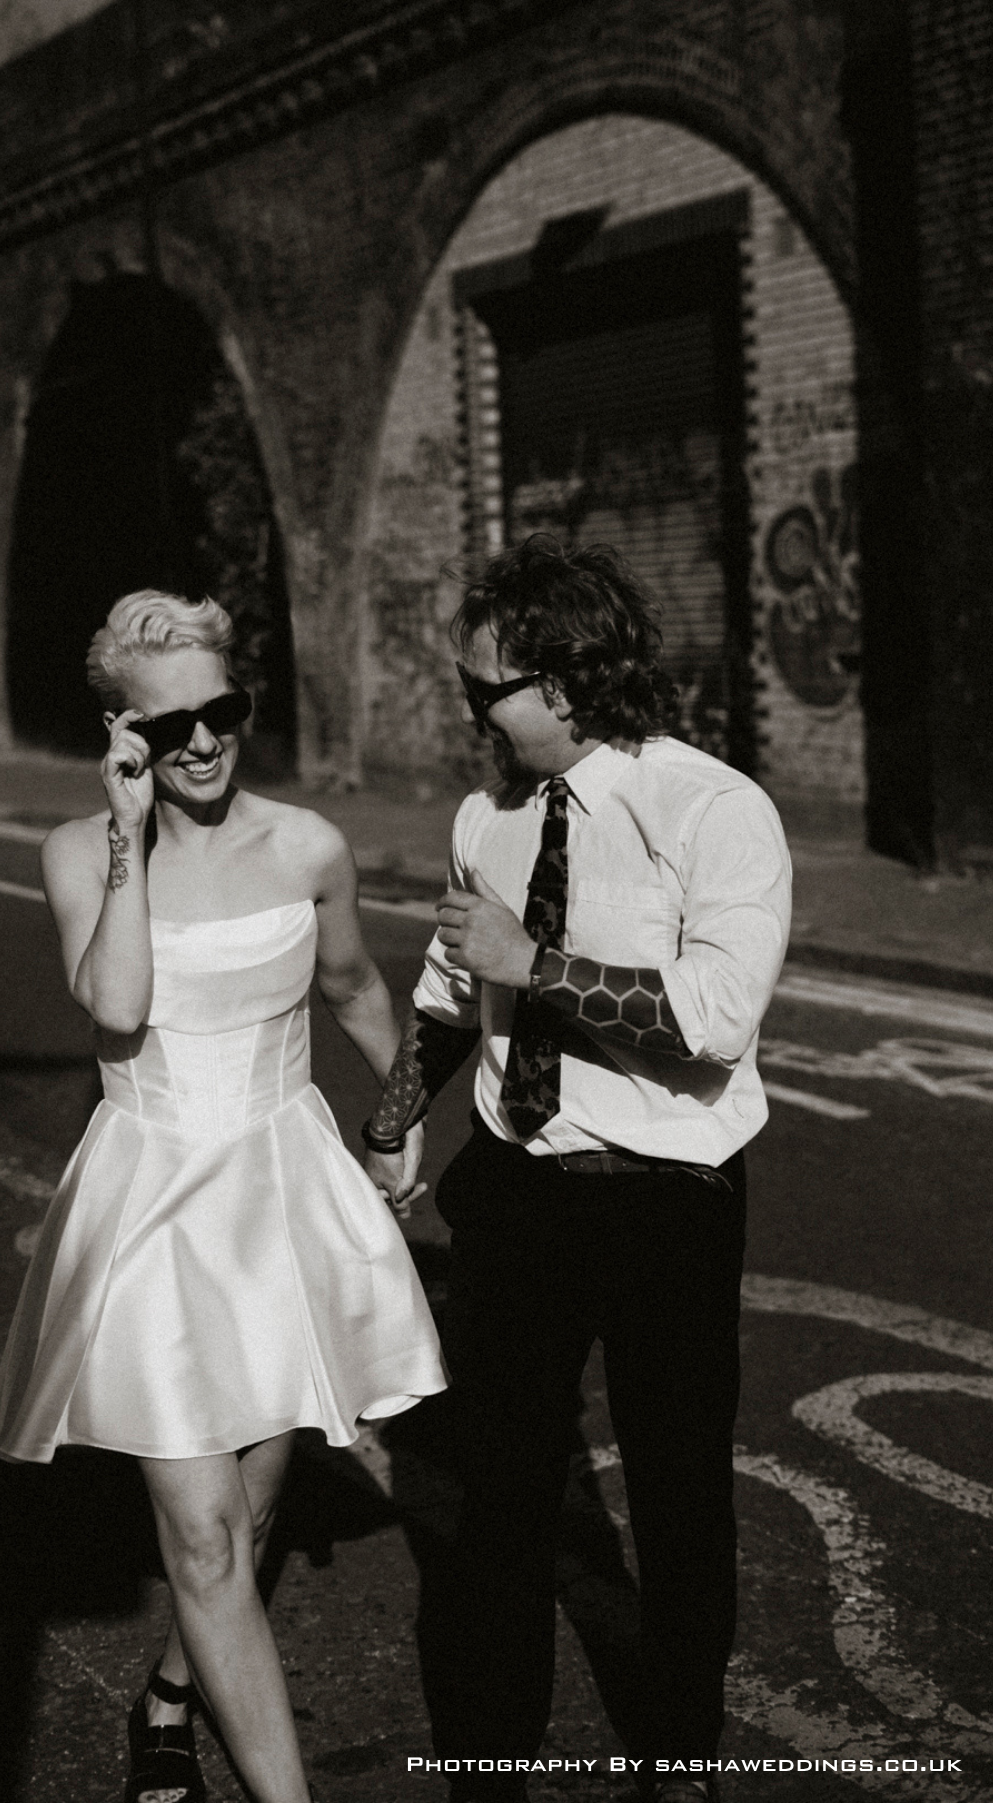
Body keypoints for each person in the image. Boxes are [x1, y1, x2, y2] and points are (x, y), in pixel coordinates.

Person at [0, 588, 446, 1803]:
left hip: (281, 1190)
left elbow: (351, 992)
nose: (202, 741)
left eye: (222, 710)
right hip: (152, 1204)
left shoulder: (306, 848)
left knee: (252, 1504)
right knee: (202, 1534)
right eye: (167, 725)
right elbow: (119, 1007)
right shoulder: (79, 854)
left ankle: (171, 1697)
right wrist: (129, 836)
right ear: (122, 735)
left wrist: (395, 1125)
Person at [363, 537, 792, 1803]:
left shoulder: (712, 809)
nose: (467, 710)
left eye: (483, 686)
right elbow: (449, 990)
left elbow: (716, 1014)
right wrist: (394, 1119)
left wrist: (531, 962)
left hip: (668, 1201)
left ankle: (680, 1759)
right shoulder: (483, 816)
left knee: (675, 1498)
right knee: (500, 1507)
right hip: (520, 1182)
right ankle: (495, 1763)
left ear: (565, 678)